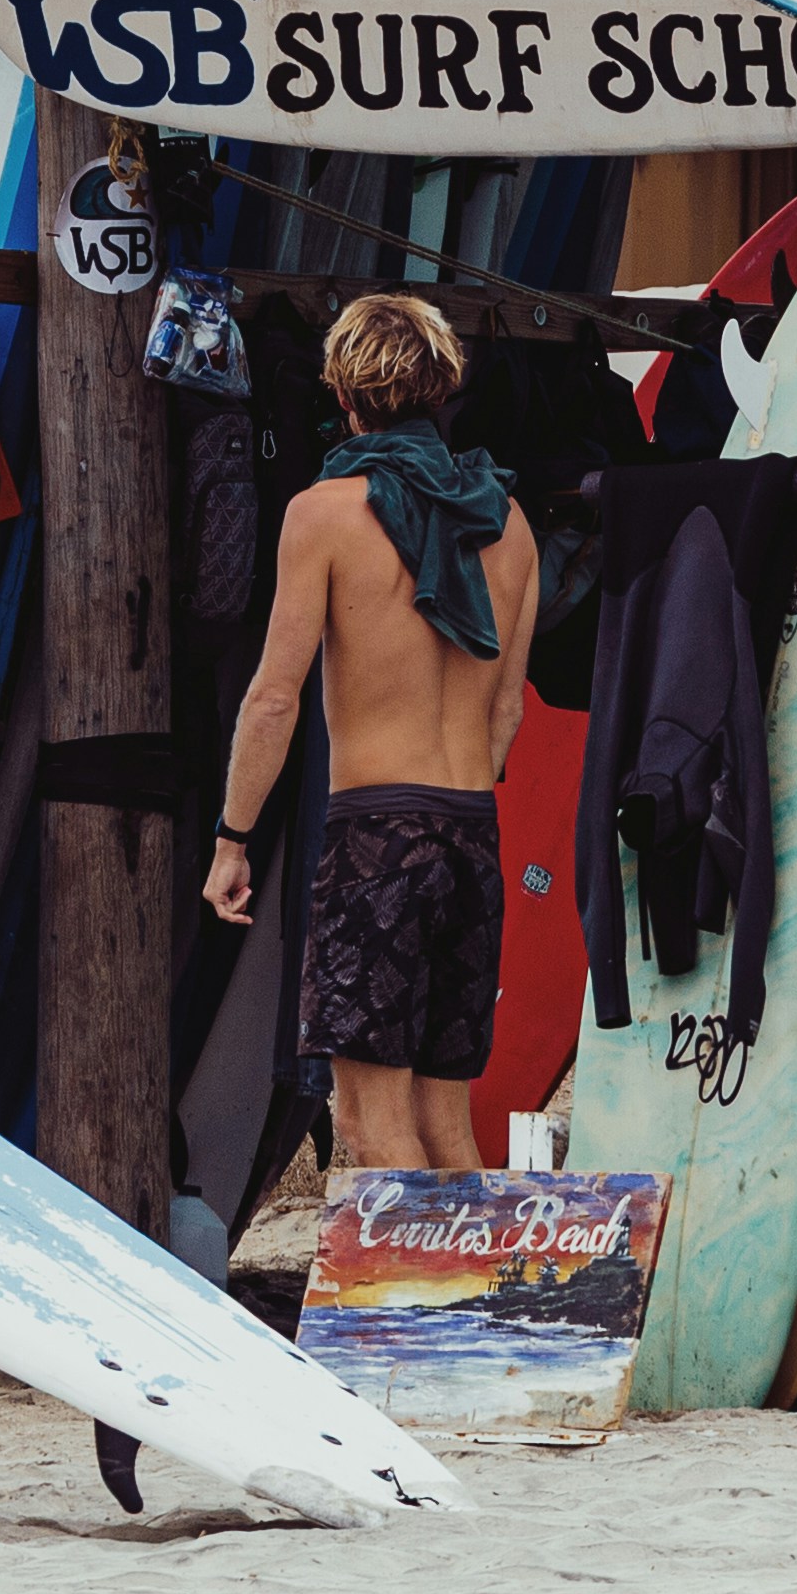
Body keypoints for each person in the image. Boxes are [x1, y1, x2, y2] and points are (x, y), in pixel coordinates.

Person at [208, 294, 536, 1178]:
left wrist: (232, 837)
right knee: (445, 1120)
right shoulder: (508, 523)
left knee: (367, 1119)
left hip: (378, 836)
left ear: (344, 397)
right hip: (470, 830)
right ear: (442, 391)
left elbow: (273, 699)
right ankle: (474, 1315)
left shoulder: (322, 514)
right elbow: (506, 714)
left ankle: (421, 1318)